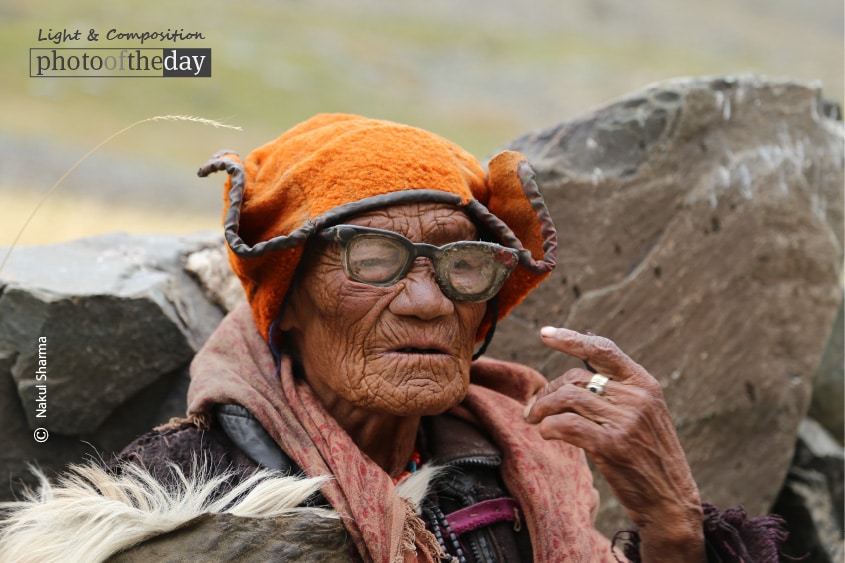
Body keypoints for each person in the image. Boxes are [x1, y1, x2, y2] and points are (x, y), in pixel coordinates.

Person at [0, 114, 787, 562]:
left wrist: (674, 519)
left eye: (464, 264)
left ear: (484, 310)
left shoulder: (518, 468)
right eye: (373, 260)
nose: (424, 300)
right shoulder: (184, 497)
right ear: (289, 300)